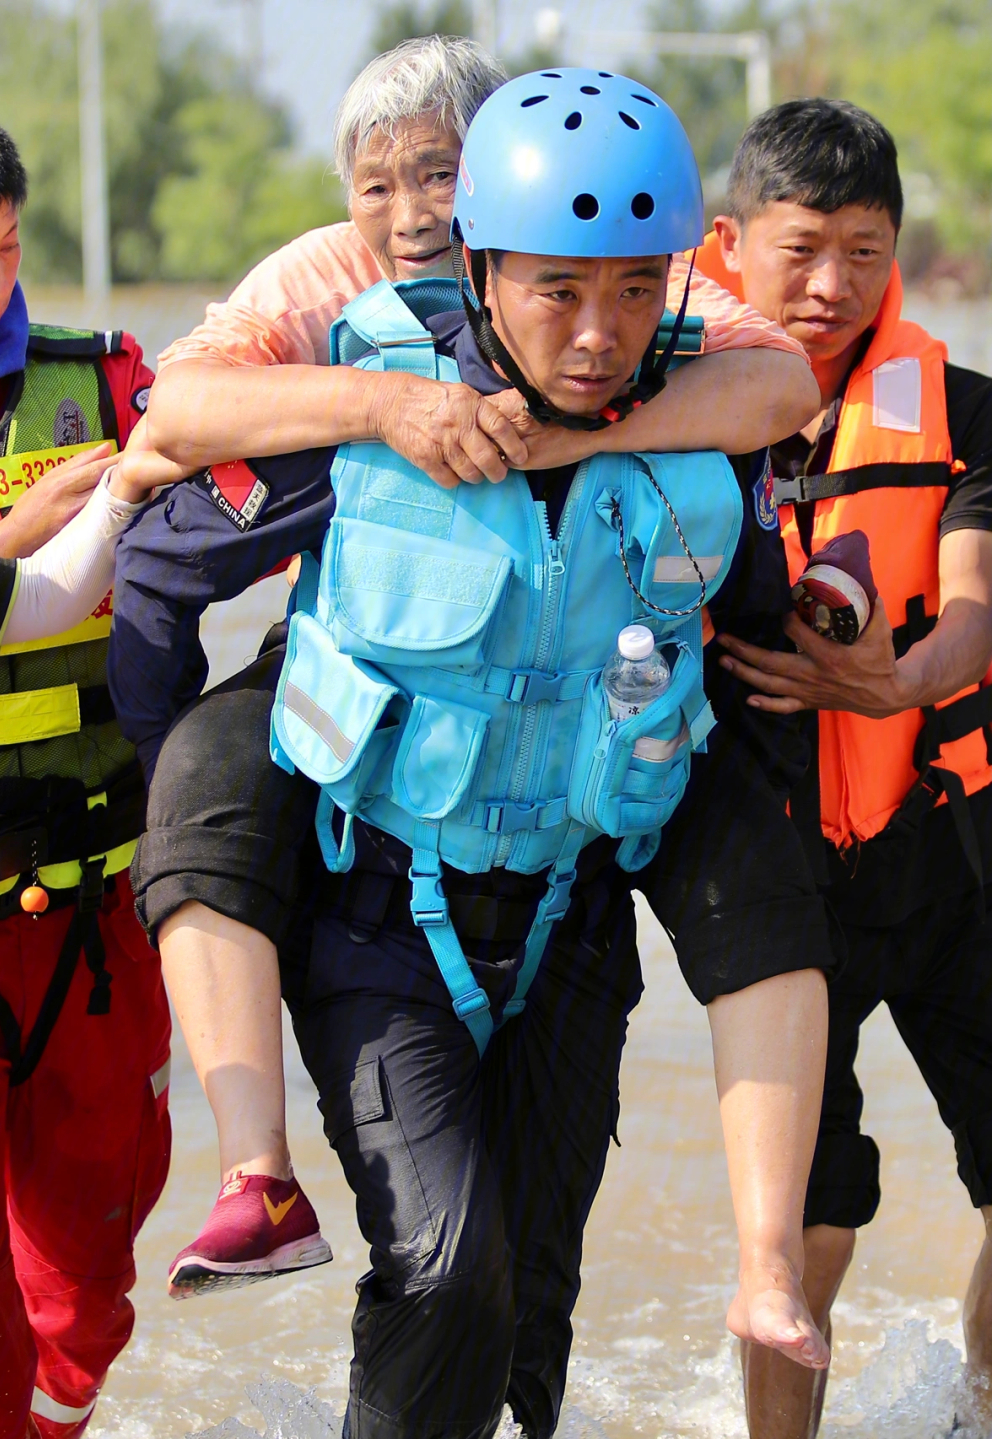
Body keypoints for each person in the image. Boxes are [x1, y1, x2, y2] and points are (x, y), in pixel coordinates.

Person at [112, 67, 837, 1438]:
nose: (600, 332)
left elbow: (744, 637)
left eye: (634, 290)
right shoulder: (359, 408)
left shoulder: (702, 424)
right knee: (446, 1271)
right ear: (485, 269)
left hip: (572, 922)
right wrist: (174, 779)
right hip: (386, 913)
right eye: (559, 290)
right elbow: (164, 541)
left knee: (528, 1323)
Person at [693, 98, 992, 1437]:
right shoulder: (667, 410)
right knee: (815, 1211)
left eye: (864, 252)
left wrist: (893, 679)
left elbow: (976, 606)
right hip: (767, 869)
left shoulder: (968, 413)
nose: (831, 287)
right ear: (729, 244)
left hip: (945, 850)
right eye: (802, 248)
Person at [0, 96, 176, 1439]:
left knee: (85, 1289)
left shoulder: (110, 378)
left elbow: (225, 501)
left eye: (8, 251)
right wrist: (13, 536)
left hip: (96, 904)